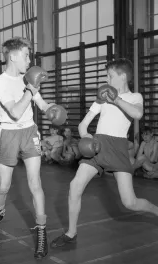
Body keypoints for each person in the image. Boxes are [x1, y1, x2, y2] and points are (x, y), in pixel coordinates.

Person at [50, 58, 158, 249]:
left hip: (118, 149)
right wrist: (86, 139)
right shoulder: (102, 97)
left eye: (110, 75)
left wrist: (115, 99)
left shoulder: (135, 97)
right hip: (97, 146)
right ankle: (71, 233)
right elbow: (83, 124)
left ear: (123, 76)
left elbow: (137, 114)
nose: (106, 79)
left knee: (130, 202)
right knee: (75, 186)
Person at [0, 37, 62, 260]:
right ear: (13, 56)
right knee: (4, 186)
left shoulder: (28, 78)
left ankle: (42, 230)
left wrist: (53, 110)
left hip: (29, 132)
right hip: (8, 133)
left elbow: (42, 106)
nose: (29, 59)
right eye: (26, 55)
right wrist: (30, 88)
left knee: (35, 183)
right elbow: (15, 112)